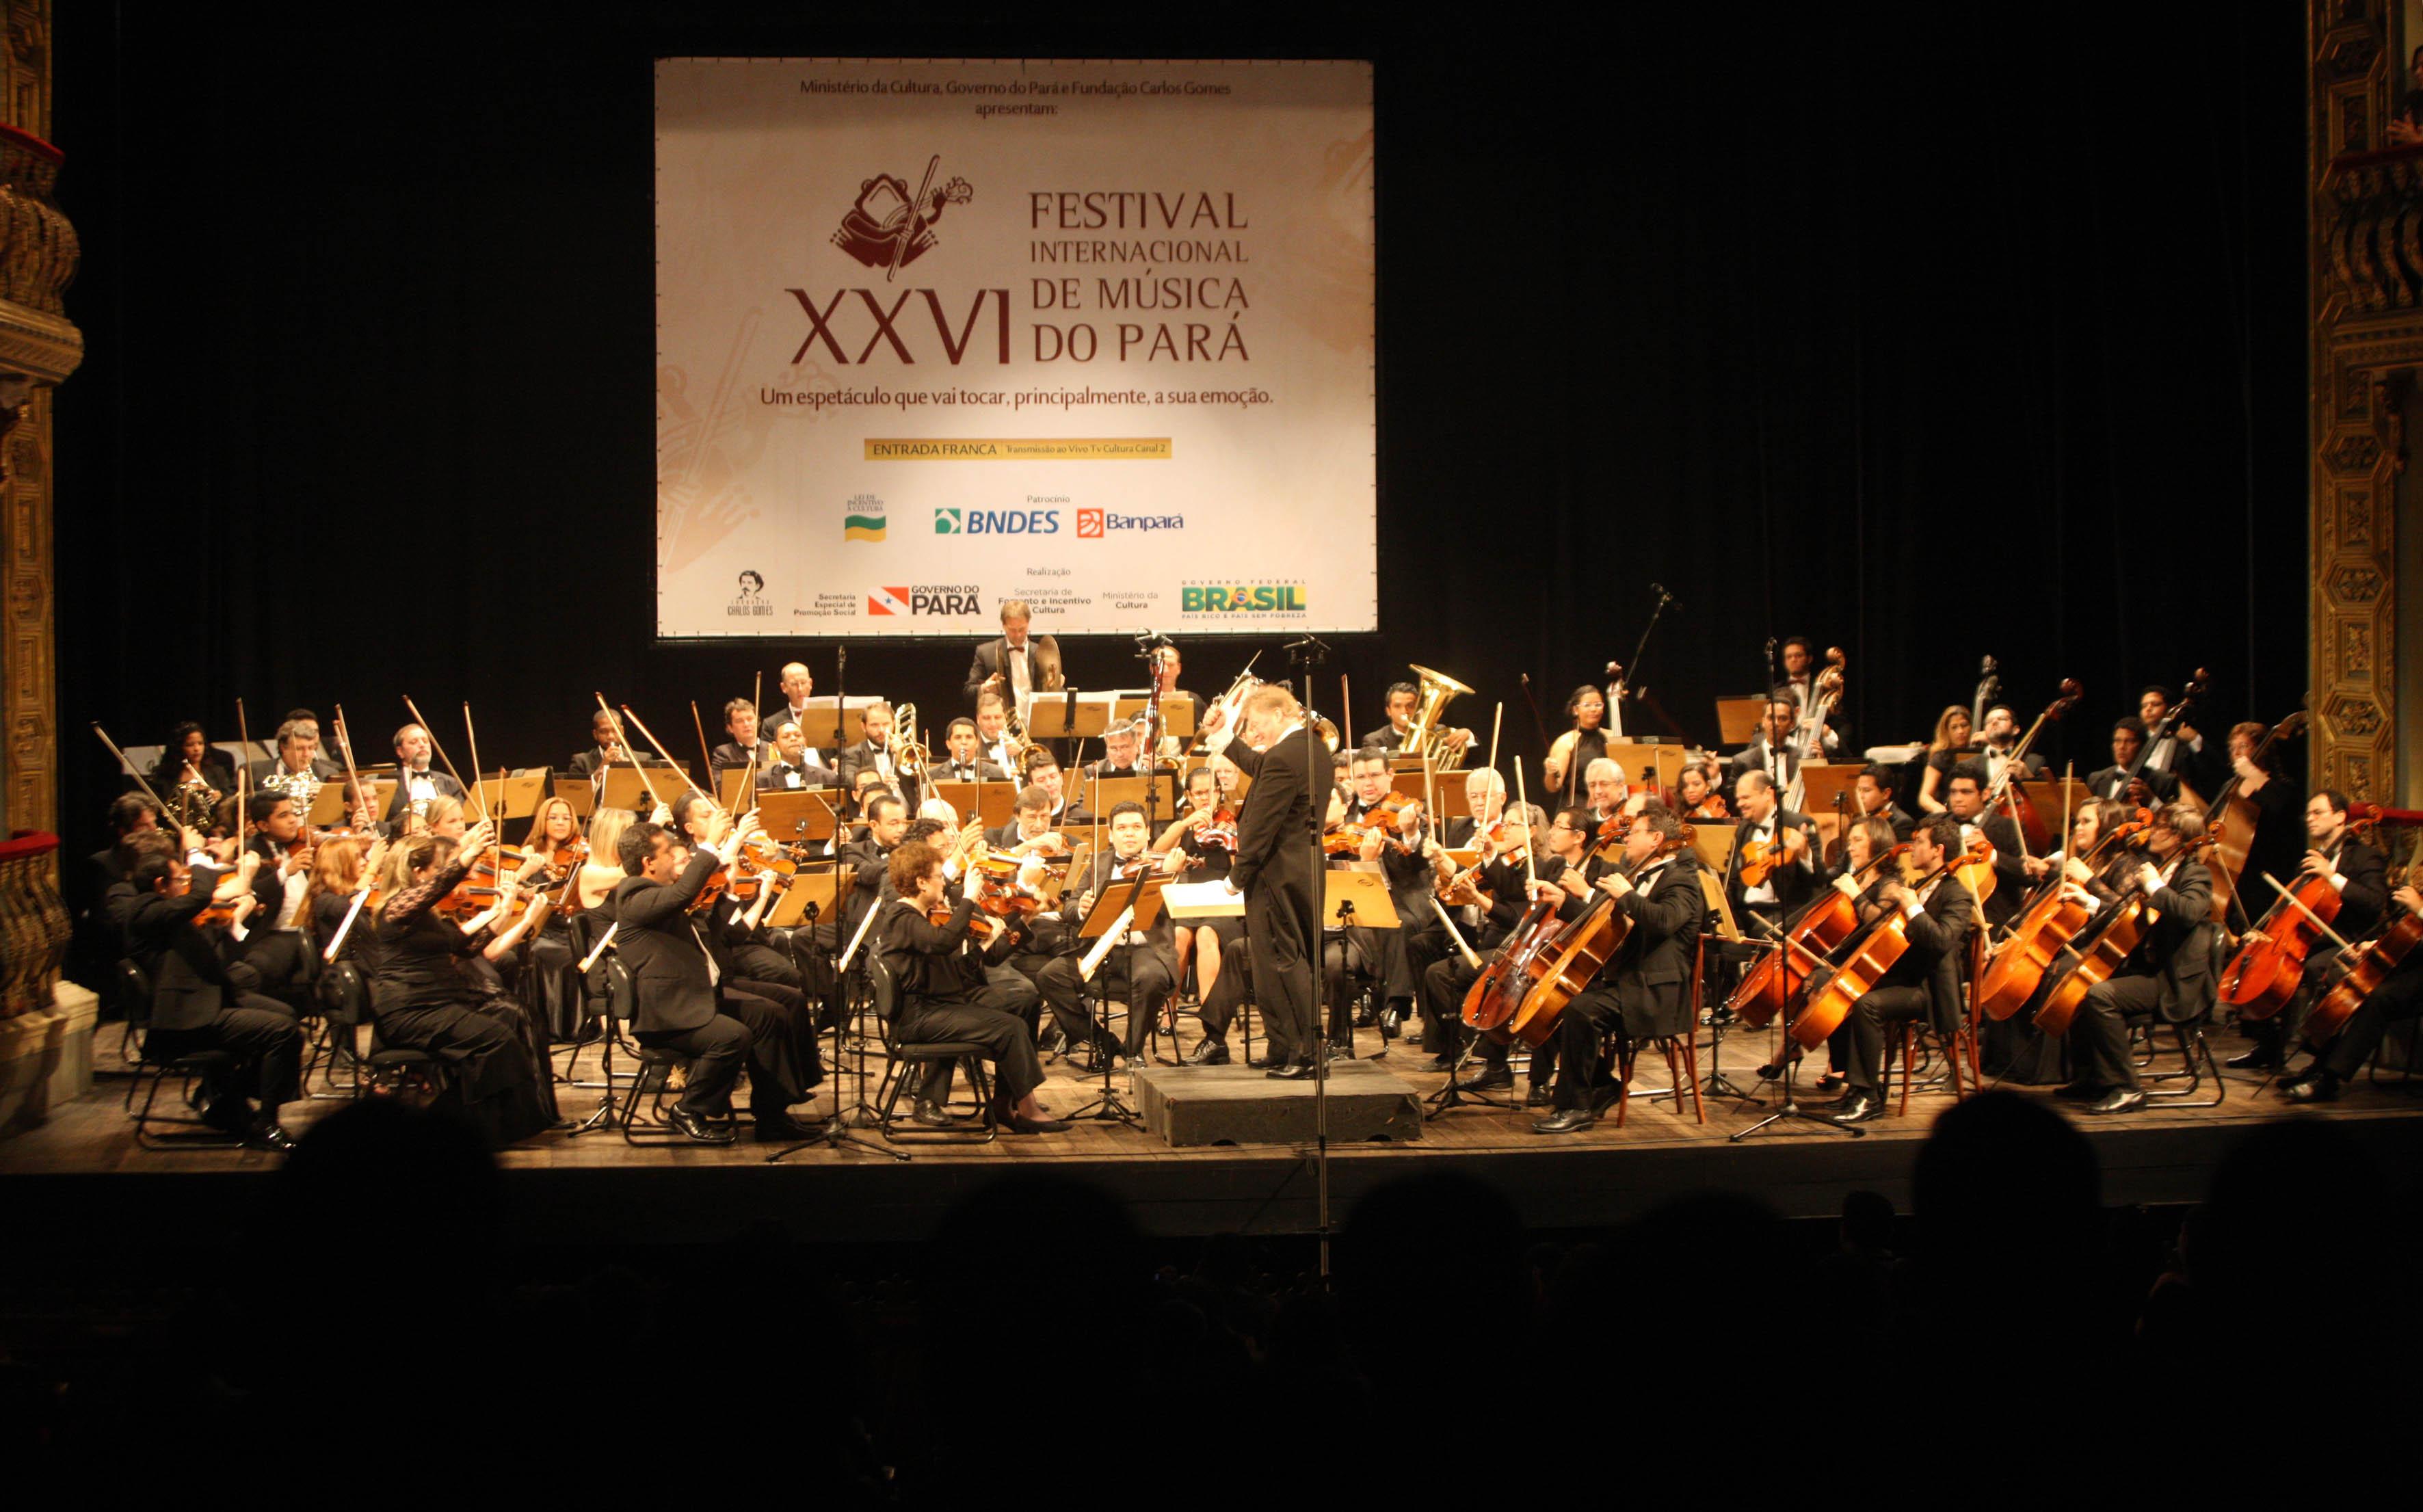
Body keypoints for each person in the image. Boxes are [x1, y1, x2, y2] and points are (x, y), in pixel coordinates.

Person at [610, 813, 820, 1143]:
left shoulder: (663, 895)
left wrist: (727, 884)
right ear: (649, 862)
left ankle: (772, 1115)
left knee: (770, 1013)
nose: (679, 855)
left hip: (697, 997)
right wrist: (713, 845)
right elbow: (682, 894)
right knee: (732, 1036)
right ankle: (689, 1109)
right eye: (669, 852)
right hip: (669, 1013)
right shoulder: (635, 896)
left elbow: (718, 931)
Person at [371, 820, 562, 1148]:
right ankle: (451, 1124)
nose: (443, 879)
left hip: (440, 1003)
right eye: (436, 870)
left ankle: (500, 1120)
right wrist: (467, 854)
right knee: (497, 1040)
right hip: (410, 1010)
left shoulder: (429, 916)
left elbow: (467, 947)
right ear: (418, 873)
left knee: (508, 1021)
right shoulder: (396, 909)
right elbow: (438, 887)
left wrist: (502, 912)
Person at [112, 833, 306, 1152]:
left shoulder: (166, 913)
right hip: (184, 1020)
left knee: (287, 1017)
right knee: (281, 1031)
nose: (185, 885)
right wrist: (198, 858)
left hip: (204, 999)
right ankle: (266, 1123)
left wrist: (239, 919)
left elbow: (213, 956)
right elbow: (200, 897)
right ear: (161, 884)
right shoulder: (146, 912)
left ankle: (227, 1097)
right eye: (180, 880)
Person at [1533, 802, 1703, 1132]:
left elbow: (1664, 922)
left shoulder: (1682, 879)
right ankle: (1601, 1086)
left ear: (1656, 838)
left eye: (1635, 832)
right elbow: (1605, 922)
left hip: (1657, 991)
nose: (1628, 839)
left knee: (1581, 1009)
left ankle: (1575, 1107)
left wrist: (1627, 896)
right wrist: (1563, 902)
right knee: (1556, 1006)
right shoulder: (1639, 875)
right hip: (1630, 981)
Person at [875, 838, 1067, 1132]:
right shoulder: (901, 917)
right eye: (940, 878)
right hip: (920, 1016)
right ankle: (1027, 1107)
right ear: (922, 883)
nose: (945, 883)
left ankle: (1003, 1104)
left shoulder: (923, 917)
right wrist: (967, 898)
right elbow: (944, 943)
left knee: (1024, 1002)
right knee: (1010, 1027)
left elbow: (959, 969)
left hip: (943, 1005)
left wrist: (1005, 931)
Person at [2056, 801, 2217, 1115]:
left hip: (2174, 980)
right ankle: (2093, 1078)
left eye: (2160, 827)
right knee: (2078, 983)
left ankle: (2128, 1088)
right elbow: (2130, 917)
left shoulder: (2195, 873)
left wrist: (2155, 887)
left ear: (2177, 836)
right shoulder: (2156, 867)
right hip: (2150, 970)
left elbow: (2188, 913)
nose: (2152, 831)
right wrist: (2091, 903)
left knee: (2101, 996)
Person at [1822, 814, 1976, 1125]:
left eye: (1919, 842)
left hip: (1929, 990)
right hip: (1905, 978)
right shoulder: (1921, 886)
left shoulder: (1957, 894)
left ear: (1938, 850)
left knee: (1868, 1005)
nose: (1912, 848)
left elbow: (1942, 941)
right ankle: (1858, 1087)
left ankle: (1869, 1096)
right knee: (1847, 991)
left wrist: (1913, 907)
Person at [1439, 802, 1595, 1104]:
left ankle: (1538, 1080)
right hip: (1540, 947)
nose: (1553, 832)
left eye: (1561, 826)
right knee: (1501, 985)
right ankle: (1495, 1064)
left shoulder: (1600, 869)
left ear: (1579, 837)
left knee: (1544, 999)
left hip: (1575, 955)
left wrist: (1577, 893)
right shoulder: (1551, 867)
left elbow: (1594, 911)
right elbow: (1520, 896)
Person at [2229, 789, 2387, 1073]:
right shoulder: (2314, 858)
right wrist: (2266, 931)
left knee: (2315, 968)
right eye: (2309, 814)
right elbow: (2292, 906)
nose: (2310, 819)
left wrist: (2332, 876)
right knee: (2252, 957)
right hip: (2308, 936)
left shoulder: (2366, 857)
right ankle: (2267, 1046)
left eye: (2318, 813)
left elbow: (2375, 903)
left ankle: (2320, 1061)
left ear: (2340, 817)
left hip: (2348, 940)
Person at [1213, 683, 1321, 1078]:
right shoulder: (1312, 749)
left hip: (1277, 876)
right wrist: (1224, 735)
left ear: (1279, 714)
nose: (1255, 734)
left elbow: (1260, 827)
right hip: (1302, 872)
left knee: (1283, 962)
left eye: (1259, 725)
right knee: (1273, 961)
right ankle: (1282, 1045)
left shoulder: (1282, 757)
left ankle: (1304, 1052)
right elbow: (1262, 769)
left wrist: (1236, 877)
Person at [1035, 801, 1180, 1063]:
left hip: (1146, 949)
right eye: (1122, 828)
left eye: (1136, 827)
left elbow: (1177, 910)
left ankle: (1133, 1051)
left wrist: (1172, 875)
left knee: (1152, 979)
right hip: (1101, 949)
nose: (1129, 833)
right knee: (1049, 977)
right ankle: (1104, 1042)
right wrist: (1081, 908)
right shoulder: (1099, 863)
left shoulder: (1168, 863)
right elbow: (1069, 905)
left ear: (1148, 833)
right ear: (1111, 835)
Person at [1321, 747, 1432, 1050]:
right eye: (1360, 777)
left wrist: (1409, 834)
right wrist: (1364, 861)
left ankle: (1396, 1003)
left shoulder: (1405, 810)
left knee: (1394, 922)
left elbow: (1416, 862)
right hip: (1354, 904)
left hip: (1403, 896)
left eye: (1374, 775)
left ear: (1390, 775)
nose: (1367, 783)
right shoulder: (1342, 809)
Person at [2281, 879, 2423, 1103]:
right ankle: (2318, 1064)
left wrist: (2421, 910)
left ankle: (2329, 1078)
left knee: (2381, 998)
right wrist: (2376, 944)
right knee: (2341, 976)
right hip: (2410, 963)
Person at [1156, 765, 1249, 1063]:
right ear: (1188, 796)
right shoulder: (1184, 828)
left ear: (1220, 793)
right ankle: (1168, 1013)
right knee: (1181, 936)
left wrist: (1231, 843)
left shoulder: (1231, 823)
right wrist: (1184, 826)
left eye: (1211, 793)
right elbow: (1157, 854)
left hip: (1224, 901)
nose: (1206, 800)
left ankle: (1211, 1023)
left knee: (1208, 935)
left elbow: (1243, 871)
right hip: (1190, 901)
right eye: (1198, 794)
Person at [1727, 769, 1820, 940]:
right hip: (1745, 910)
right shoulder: (1744, 829)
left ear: (1768, 794)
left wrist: (1805, 854)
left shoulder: (1799, 824)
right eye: (1738, 799)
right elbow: (1735, 877)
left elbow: (1820, 879)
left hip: (1782, 911)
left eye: (1746, 798)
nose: (1739, 804)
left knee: (1761, 932)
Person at [1942, 760, 2026, 928]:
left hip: (1992, 918)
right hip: (1946, 917)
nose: (1958, 799)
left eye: (1966, 792)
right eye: (1953, 792)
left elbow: (2028, 873)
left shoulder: (2008, 827)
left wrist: (1992, 854)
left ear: (1986, 794)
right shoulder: (1937, 824)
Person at [964, 597, 1064, 705]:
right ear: (1004, 626)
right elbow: (968, 691)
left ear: (1028, 623)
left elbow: (1057, 694)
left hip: (1036, 718)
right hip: (1002, 719)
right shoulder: (986, 653)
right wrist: (984, 689)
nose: (1018, 635)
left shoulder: (1042, 653)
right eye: (1012, 630)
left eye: (1022, 629)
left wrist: (1057, 686)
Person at [150, 722, 235, 836]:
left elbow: (230, 802)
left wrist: (221, 796)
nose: (197, 749)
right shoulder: (164, 777)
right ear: (179, 747)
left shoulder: (217, 772)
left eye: (200, 744)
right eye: (190, 745)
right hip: (176, 834)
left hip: (213, 833)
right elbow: (159, 811)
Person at [383, 722, 466, 832]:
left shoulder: (450, 782)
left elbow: (463, 818)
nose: (422, 745)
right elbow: (378, 823)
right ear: (400, 751)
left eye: (425, 741)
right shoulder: (387, 782)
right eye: (414, 742)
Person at [836, 700, 919, 808]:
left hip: (910, 815)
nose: (881, 730)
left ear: (894, 724)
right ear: (864, 727)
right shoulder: (852, 754)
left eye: (886, 724)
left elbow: (925, 778)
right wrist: (879, 783)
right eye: (874, 725)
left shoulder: (908, 750)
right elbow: (851, 781)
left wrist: (902, 753)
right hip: (872, 815)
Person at [2087, 717, 2180, 806]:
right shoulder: (2096, 779)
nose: (2122, 747)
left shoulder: (2164, 781)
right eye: (2117, 741)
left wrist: (2152, 800)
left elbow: (2169, 819)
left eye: (2130, 741)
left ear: (2143, 746)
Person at [1541, 684, 1610, 801]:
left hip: (1608, 805)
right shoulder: (1565, 742)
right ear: (1575, 710)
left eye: (1598, 705)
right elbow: (1553, 787)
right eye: (1587, 705)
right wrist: (1550, 773)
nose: (1594, 709)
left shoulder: (1612, 737)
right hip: (1577, 809)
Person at [1730, 698, 1804, 795]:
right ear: (1763, 722)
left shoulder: (1803, 757)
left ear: (1792, 724)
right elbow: (1733, 801)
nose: (1776, 723)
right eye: (1771, 718)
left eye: (1783, 719)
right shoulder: (1743, 762)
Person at [1916, 706, 1973, 815]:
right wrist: (1941, 810)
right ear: (1947, 731)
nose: (1960, 731)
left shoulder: (1982, 752)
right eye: (1954, 727)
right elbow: (1924, 797)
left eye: (1964, 725)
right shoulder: (1941, 758)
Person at [1976, 705, 2049, 789]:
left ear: (2015, 730)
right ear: (1985, 731)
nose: (1994, 722)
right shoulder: (1969, 765)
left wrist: (2027, 777)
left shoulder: (2036, 762)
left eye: (2002, 719)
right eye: (1989, 721)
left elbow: (2046, 799)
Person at [759, 717, 840, 791]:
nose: (793, 739)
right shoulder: (762, 779)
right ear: (775, 746)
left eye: (798, 735)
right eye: (786, 736)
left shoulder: (827, 777)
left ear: (805, 743)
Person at [934, 717, 1010, 784]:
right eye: (958, 737)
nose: (964, 742)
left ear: (977, 743)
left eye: (969, 737)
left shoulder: (997, 773)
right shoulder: (932, 775)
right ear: (949, 744)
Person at [709, 697, 770, 778]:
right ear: (730, 728)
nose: (746, 724)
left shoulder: (772, 749)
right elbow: (720, 786)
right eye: (739, 721)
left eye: (750, 719)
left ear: (758, 722)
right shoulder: (723, 753)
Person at [1675, 754, 1729, 821]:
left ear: (1708, 786)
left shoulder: (1707, 811)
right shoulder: (1685, 811)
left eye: (1696, 784)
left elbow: (1707, 818)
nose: (1690, 790)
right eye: (1685, 786)